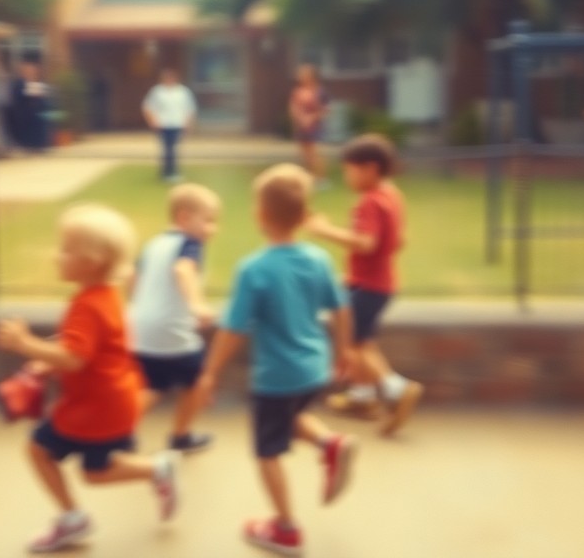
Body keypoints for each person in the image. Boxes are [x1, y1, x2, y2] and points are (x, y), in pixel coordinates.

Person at [0, 204, 180, 553]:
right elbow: (88, 347)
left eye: (66, 249)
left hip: (93, 410)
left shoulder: (86, 304)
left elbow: (75, 357)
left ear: (93, 261)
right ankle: (157, 469)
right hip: (112, 402)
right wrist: (46, 361)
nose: (56, 255)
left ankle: (73, 519)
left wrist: (26, 345)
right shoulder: (106, 295)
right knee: (96, 471)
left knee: (39, 450)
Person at [195, 164, 357, 557]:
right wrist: (345, 350)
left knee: (267, 451)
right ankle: (330, 443)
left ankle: (285, 529)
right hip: (315, 367)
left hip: (277, 376)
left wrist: (210, 373)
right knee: (292, 416)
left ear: (260, 216)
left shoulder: (254, 269)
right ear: (304, 217)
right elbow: (341, 308)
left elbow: (233, 329)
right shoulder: (318, 259)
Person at [305, 134, 422, 436]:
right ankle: (362, 398)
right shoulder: (392, 195)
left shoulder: (370, 202)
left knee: (351, 345)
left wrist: (324, 230)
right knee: (364, 341)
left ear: (370, 168)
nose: (346, 177)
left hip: (367, 286)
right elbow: (399, 240)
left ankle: (396, 389)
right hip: (383, 283)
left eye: (349, 170)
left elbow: (366, 244)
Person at [127, 184, 220, 454]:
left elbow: (133, 278)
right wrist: (197, 305)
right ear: (183, 217)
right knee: (198, 380)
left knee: (152, 385)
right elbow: (183, 270)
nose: (212, 229)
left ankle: (118, 431)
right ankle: (181, 436)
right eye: (208, 221)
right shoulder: (190, 244)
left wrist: (139, 306)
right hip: (171, 331)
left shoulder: (154, 243)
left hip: (140, 328)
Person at [142, 68, 197, 183]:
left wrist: (188, 123)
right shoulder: (157, 92)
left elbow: (190, 108)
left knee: (173, 148)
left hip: (177, 124)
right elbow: (147, 107)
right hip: (163, 124)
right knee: (166, 149)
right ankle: (166, 172)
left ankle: (172, 171)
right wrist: (152, 121)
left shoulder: (183, 91)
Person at [289, 64, 330, 188]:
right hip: (301, 127)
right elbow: (293, 106)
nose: (300, 76)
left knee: (314, 154)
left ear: (311, 76)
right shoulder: (297, 91)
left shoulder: (319, 91)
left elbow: (326, 110)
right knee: (304, 154)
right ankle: (309, 178)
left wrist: (312, 118)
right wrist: (299, 118)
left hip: (314, 127)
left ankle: (321, 180)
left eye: (303, 73)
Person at [11, 60, 51, 153]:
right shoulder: (19, 83)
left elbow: (43, 97)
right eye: (28, 70)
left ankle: (40, 146)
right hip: (25, 114)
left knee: (40, 127)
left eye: (32, 70)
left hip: (37, 113)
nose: (31, 72)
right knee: (29, 130)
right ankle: (29, 146)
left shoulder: (38, 82)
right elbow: (18, 98)